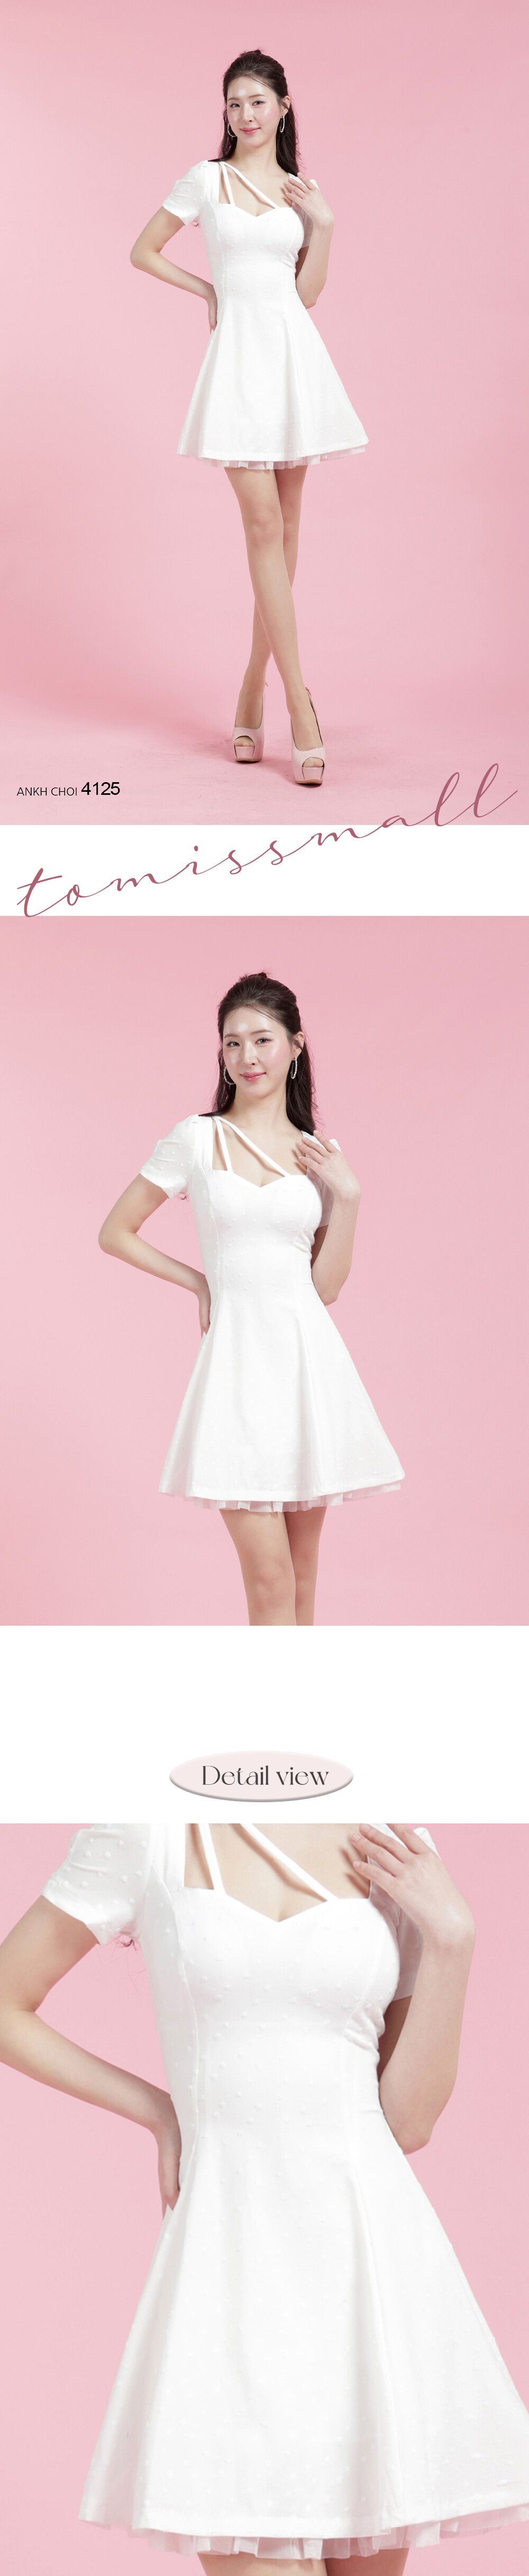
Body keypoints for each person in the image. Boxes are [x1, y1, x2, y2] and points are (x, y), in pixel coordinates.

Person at [1, 1818, 528, 2574]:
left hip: (372, 2274)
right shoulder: (146, 1829)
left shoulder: (394, 1840)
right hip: (232, 2271)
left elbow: (408, 2122)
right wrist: (157, 2109)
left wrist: (453, 1938)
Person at [98, 971, 404, 1626]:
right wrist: (200, 1281)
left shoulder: (320, 1155)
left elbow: (325, 1288)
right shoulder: (197, 1138)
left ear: (296, 1045)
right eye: (233, 1042)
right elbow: (115, 1231)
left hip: (307, 1370)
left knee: (302, 1579)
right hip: (236, 1370)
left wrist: (349, 1196)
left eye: (262, 1039)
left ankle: (295, 1697)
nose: (247, 1056)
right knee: (269, 1580)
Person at [130, 50, 368, 781]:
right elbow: (143, 250)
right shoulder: (206, 181)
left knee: (288, 530)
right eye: (235, 102)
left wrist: (325, 226)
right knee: (263, 527)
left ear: (284, 107)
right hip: (237, 365)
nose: (246, 114)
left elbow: (308, 296)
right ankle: (300, 704)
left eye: (258, 101)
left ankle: (250, 686)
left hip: (294, 363)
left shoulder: (304, 192)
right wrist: (208, 291)